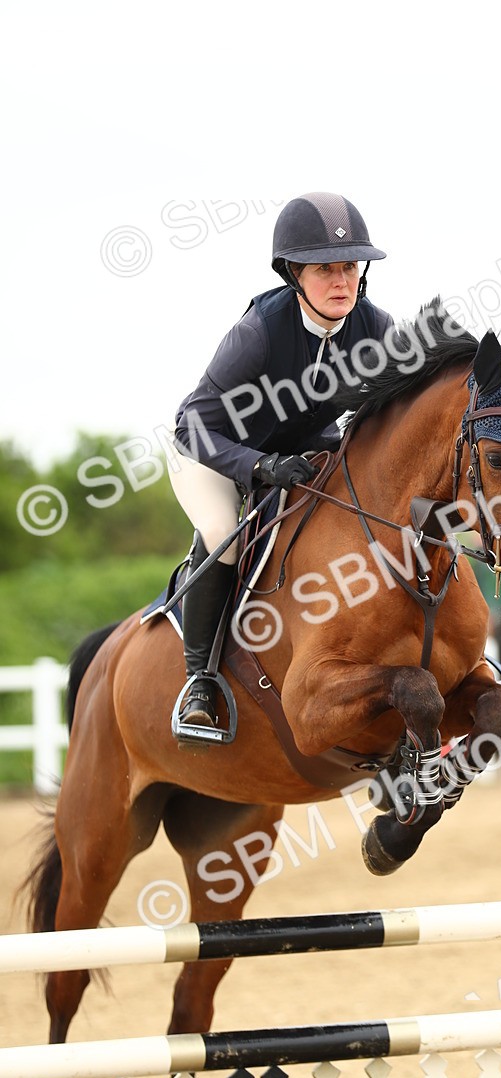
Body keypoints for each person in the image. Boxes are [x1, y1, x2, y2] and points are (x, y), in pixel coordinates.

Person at [168, 192, 392, 734]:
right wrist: (261, 467)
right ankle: (200, 679)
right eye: (324, 270)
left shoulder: (377, 327)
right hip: (215, 452)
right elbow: (190, 427)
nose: (342, 282)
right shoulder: (258, 333)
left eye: (350, 268)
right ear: (294, 274)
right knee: (226, 530)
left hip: (304, 449)